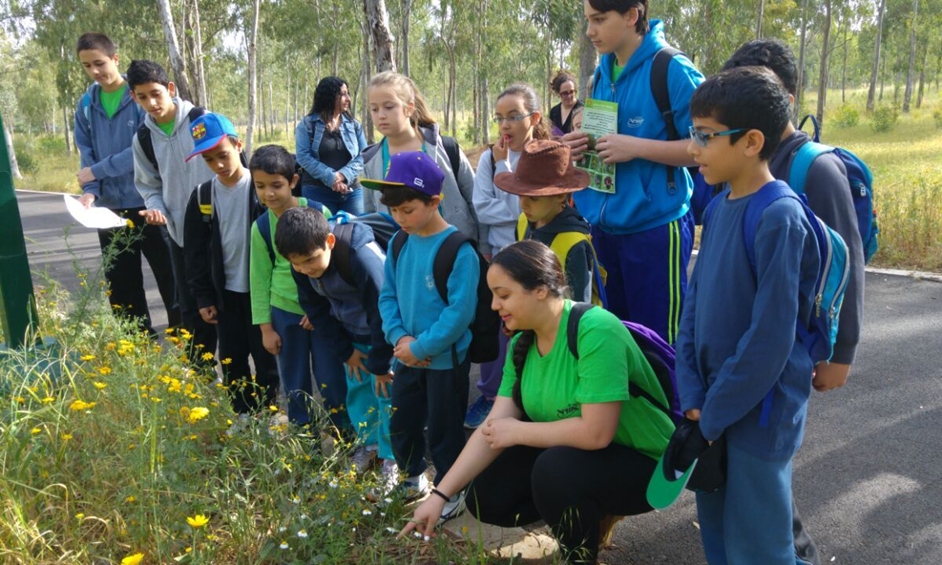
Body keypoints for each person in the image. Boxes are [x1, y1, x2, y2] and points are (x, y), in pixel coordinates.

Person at [400, 240, 674, 565]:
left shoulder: (596, 330)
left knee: (554, 470)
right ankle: (582, 515)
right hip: (588, 458)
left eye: (503, 295)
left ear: (541, 290)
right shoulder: (522, 343)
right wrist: (440, 495)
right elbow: (493, 430)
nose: (493, 306)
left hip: (649, 466)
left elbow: (596, 433)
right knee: (486, 494)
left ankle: (579, 555)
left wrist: (516, 432)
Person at [721, 38, 868, 565]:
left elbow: (847, 261)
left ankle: (793, 554)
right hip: (751, 344)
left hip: (795, 349)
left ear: (781, 94)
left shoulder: (814, 169)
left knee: (769, 464)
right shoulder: (739, 159)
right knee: (760, 473)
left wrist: (841, 352)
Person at [676, 66, 821, 565]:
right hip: (712, 408)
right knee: (717, 532)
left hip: (758, 416)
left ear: (752, 141)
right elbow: (692, 306)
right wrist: (693, 392)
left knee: (759, 544)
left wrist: (713, 411)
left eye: (705, 136)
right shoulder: (716, 208)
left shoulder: (780, 215)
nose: (693, 149)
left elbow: (771, 338)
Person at [562, 0, 704, 344]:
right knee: (618, 340)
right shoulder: (602, 72)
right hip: (605, 229)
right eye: (587, 20)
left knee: (659, 343)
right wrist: (581, 144)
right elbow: (605, 139)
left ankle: (668, 401)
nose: (589, 31)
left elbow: (710, 148)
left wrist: (635, 147)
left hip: (655, 228)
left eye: (599, 20)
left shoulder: (672, 70)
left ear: (631, 15)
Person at [370, 151, 479, 521]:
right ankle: (412, 477)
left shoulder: (459, 250)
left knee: (445, 430)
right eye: (394, 210)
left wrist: (421, 347)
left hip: (444, 361)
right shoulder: (399, 243)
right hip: (407, 356)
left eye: (408, 209)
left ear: (434, 201)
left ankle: (451, 487)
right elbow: (387, 296)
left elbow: (459, 314)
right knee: (403, 421)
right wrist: (400, 339)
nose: (400, 218)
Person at [273, 206, 397, 490]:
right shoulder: (301, 264)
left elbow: (383, 312)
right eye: (297, 264)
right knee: (359, 392)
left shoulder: (360, 255)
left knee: (387, 395)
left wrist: (381, 365)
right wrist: (346, 352)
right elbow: (314, 310)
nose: (305, 270)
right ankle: (370, 445)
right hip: (351, 336)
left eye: (310, 260)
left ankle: (393, 457)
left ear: (329, 242)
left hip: (385, 337)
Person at [73, 33, 178, 335]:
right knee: (121, 284)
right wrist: (90, 193)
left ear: (115, 59)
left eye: (99, 63)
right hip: (109, 210)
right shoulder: (86, 105)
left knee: (170, 278)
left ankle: (189, 348)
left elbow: (141, 149)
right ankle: (137, 348)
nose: (94, 71)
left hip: (150, 204)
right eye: (86, 66)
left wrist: (96, 172)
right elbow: (86, 152)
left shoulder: (138, 97)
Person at [465, 83, 552, 429]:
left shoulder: (544, 154)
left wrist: (506, 179)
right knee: (501, 328)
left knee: (537, 327)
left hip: (537, 255)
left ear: (533, 117)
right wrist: (512, 200)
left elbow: (530, 209)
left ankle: (535, 397)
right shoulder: (489, 157)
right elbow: (483, 209)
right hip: (501, 255)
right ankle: (490, 396)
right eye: (499, 117)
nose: (504, 125)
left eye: (513, 116)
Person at [182, 113, 279, 415]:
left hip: (263, 295)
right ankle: (242, 415)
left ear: (238, 145)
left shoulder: (263, 189)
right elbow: (194, 254)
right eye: (209, 160)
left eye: (222, 155)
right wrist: (203, 297)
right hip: (226, 297)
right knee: (232, 359)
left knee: (267, 359)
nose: (218, 165)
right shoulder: (202, 196)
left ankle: (268, 413)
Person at [248, 145, 343, 430]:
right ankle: (306, 444)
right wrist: (266, 328)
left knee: (332, 378)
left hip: (323, 314)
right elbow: (259, 278)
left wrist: (322, 309)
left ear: (293, 182)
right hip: (285, 315)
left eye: (276, 185)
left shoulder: (318, 212)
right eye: (260, 186)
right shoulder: (261, 227)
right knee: (294, 381)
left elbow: (333, 264)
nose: (269, 194)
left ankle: (346, 436)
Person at [129, 59, 217, 361]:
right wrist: (155, 208)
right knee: (191, 309)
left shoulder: (201, 120)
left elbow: (232, 166)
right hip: (180, 236)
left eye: (155, 93)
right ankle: (200, 378)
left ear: (170, 88)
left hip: (220, 230)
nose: (151, 103)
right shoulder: (142, 139)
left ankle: (242, 379)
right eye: (142, 97)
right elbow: (149, 185)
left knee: (230, 303)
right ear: (134, 97)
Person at [360, 71, 482, 245]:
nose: (381, 115)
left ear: (409, 108)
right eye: (374, 109)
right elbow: (372, 216)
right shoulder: (371, 161)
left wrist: (483, 246)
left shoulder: (444, 148)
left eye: (389, 107)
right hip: (406, 257)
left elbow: (474, 197)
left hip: (456, 249)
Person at [495, 139, 594, 304]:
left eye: (533, 198)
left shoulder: (574, 243)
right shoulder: (523, 222)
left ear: (560, 196)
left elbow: (581, 305)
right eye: (520, 195)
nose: (523, 204)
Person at [295, 76, 368, 215]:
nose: (348, 99)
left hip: (351, 191)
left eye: (348, 94)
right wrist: (332, 177)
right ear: (329, 96)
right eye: (343, 94)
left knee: (358, 230)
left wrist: (343, 175)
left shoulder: (353, 124)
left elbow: (364, 155)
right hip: (317, 191)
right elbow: (303, 157)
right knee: (321, 234)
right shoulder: (307, 125)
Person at [549, 70, 584, 136]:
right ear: (558, 94)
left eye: (571, 92)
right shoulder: (554, 111)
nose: (569, 96)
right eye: (565, 93)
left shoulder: (582, 108)